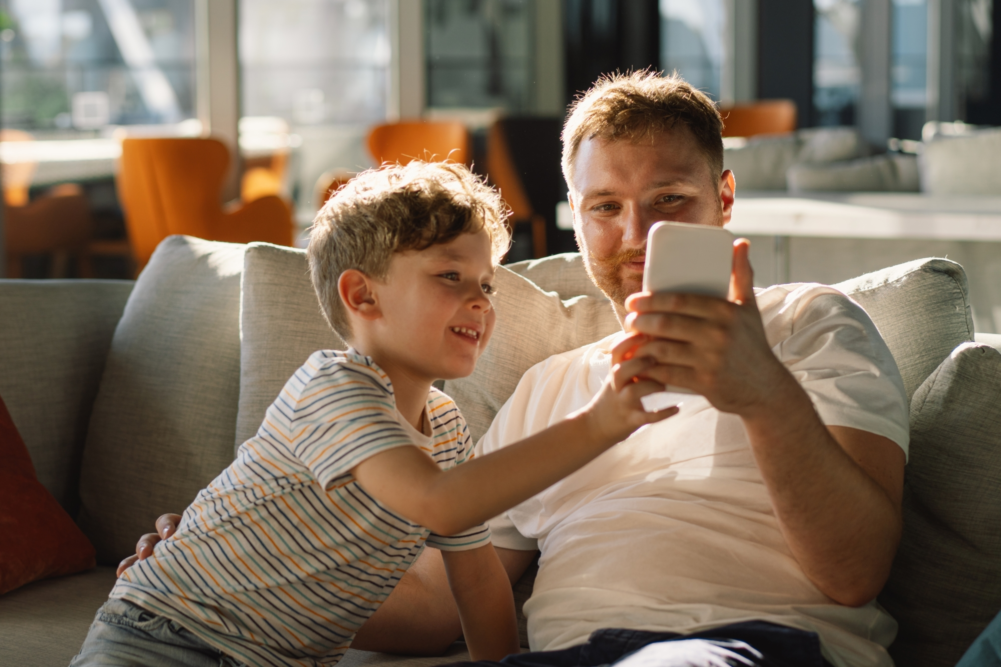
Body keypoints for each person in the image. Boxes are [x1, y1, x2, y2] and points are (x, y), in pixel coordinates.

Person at [125, 72, 909, 667]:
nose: (634, 234)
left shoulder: (810, 322)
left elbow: (853, 572)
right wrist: (234, 573)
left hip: (734, 647)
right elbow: (443, 598)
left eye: (667, 199)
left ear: (723, 197)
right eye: (603, 206)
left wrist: (759, 390)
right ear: (574, 213)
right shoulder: (553, 386)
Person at [73, 161, 676, 667]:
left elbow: (477, 578)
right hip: (168, 637)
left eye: (486, 284)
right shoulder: (332, 388)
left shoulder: (443, 430)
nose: (479, 301)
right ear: (362, 295)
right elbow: (439, 501)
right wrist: (599, 422)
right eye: (449, 275)